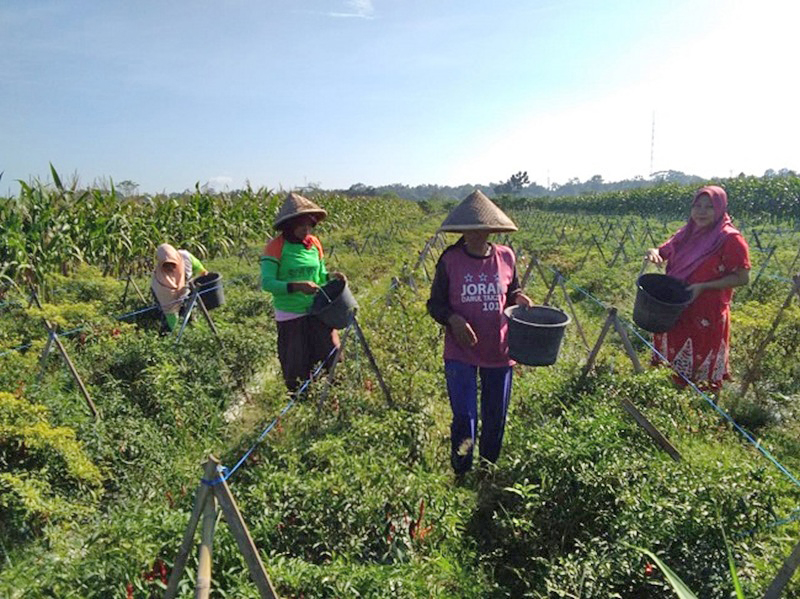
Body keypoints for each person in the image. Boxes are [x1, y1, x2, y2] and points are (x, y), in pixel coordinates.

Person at [427, 190, 533, 476]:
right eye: (469, 230)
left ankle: (487, 469)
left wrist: (520, 298)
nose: (475, 235)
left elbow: (512, 291)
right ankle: (461, 470)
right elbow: (434, 304)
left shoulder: (506, 257)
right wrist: (454, 319)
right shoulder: (450, 260)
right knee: (465, 416)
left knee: (495, 416)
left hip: (499, 350)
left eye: (481, 229)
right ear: (462, 230)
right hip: (460, 351)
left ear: (490, 229)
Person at [645, 185, 750, 391]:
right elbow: (662, 250)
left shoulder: (729, 238)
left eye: (709, 207)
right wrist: (653, 252)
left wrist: (703, 286)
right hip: (676, 305)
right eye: (697, 206)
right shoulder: (686, 233)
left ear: (720, 208)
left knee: (700, 367)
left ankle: (698, 407)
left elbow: (742, 277)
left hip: (705, 310)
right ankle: (669, 395)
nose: (701, 212)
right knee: (671, 361)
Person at [260, 192, 344, 392]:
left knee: (331, 356)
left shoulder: (314, 244)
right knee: (296, 366)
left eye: (310, 225)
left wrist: (332, 276)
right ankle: (301, 406)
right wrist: (296, 286)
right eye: (301, 225)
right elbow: (268, 283)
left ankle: (333, 400)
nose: (306, 229)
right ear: (289, 225)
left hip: (318, 311)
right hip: (291, 315)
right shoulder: (275, 247)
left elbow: (320, 275)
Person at [151, 243, 208, 333]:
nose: (170, 267)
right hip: (168, 298)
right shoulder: (159, 278)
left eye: (172, 263)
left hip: (188, 290)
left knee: (190, 311)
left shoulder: (185, 256)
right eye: (167, 264)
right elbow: (166, 300)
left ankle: (194, 329)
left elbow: (200, 269)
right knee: (168, 316)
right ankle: (171, 333)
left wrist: (204, 275)